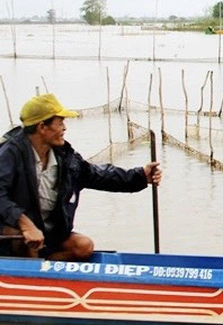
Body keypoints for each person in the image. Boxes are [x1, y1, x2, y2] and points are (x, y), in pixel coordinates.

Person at [0, 93, 162, 261]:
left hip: (48, 232)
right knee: (25, 242)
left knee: (84, 246)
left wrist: (140, 176)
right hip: (12, 233)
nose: (64, 128)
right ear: (42, 127)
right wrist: (25, 224)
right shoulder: (11, 153)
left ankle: (46, 267)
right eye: (60, 122)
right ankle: (31, 276)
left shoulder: (65, 157)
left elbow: (97, 175)